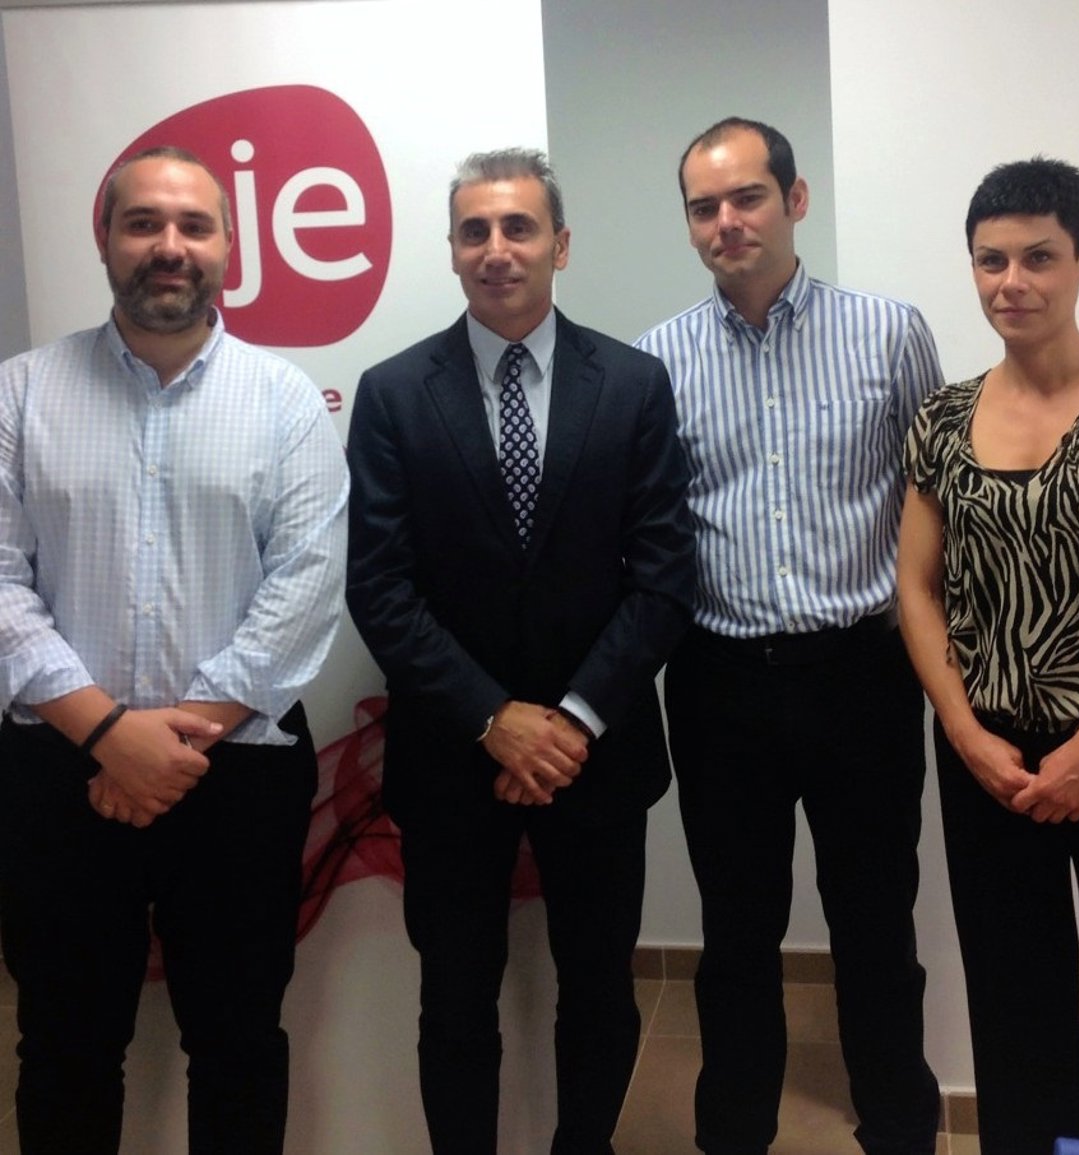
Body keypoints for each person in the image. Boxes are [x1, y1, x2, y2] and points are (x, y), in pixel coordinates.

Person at [345, 147, 695, 1155]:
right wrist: (494, 719)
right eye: (475, 231)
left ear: (560, 245)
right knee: (455, 999)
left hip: (599, 751)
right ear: (453, 250)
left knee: (599, 989)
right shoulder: (393, 392)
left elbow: (664, 577)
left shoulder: (632, 384)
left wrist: (572, 721)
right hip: (453, 753)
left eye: (519, 227)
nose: (496, 249)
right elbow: (380, 585)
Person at [0, 146, 348, 1154]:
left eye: (194, 225)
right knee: (64, 1047)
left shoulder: (286, 400)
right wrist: (110, 735)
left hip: (238, 777)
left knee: (238, 1046)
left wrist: (167, 744)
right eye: (143, 222)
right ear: (104, 238)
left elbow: (305, 584)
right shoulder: (20, 395)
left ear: (229, 247)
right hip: (58, 771)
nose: (169, 245)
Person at [636, 117, 942, 1155]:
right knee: (736, 930)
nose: (727, 222)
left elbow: (933, 500)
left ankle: (898, 1127)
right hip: (719, 679)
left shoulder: (889, 333)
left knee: (875, 921)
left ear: (795, 199)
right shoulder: (658, 360)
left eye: (748, 197)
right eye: (704, 207)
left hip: (862, 670)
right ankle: (734, 1134)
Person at [896, 157, 1079, 1154]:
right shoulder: (942, 419)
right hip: (990, 759)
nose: (1011, 282)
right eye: (991, 261)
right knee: (1016, 1004)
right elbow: (916, 589)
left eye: (1038, 257)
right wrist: (962, 729)